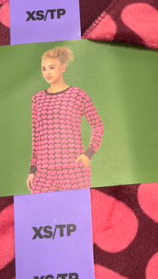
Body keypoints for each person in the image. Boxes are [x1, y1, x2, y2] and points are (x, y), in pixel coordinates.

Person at [26, 47, 104, 194]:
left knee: (76, 207)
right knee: (41, 207)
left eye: (51, 67)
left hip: (73, 170)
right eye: (43, 69)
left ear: (63, 68)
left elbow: (98, 126)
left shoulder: (77, 95)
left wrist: (89, 154)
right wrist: (32, 170)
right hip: (44, 172)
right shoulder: (37, 99)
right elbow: (37, 139)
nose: (47, 72)